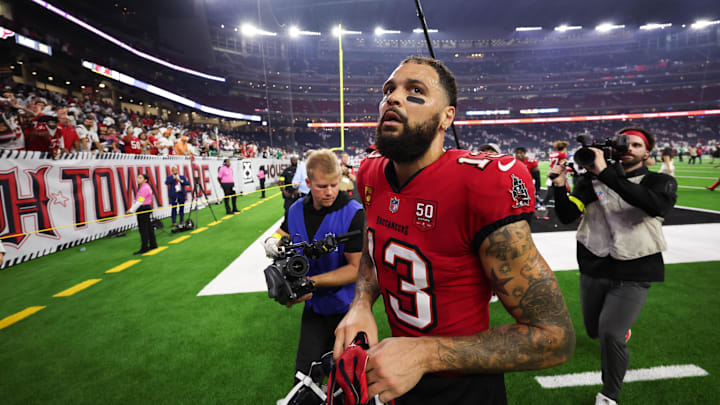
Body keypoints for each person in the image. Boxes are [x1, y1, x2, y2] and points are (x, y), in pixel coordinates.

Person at [334, 56, 574, 404]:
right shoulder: (371, 173)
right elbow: (374, 251)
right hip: (397, 376)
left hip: (465, 387)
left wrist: (423, 355)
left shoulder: (481, 184)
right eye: (389, 90)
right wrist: (361, 303)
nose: (394, 98)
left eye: (415, 90)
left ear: (447, 116)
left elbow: (555, 337)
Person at [549, 127, 677, 405]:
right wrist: (559, 186)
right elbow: (568, 215)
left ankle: (609, 395)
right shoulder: (590, 181)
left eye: (637, 145)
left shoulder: (659, 180)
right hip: (594, 264)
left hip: (636, 267)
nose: (629, 148)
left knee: (609, 333)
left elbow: (653, 205)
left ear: (647, 152)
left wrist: (605, 173)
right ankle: (618, 327)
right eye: (624, 144)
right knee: (595, 330)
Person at [263, 149, 364, 387]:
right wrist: (272, 243)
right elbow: (282, 235)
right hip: (314, 311)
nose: (329, 191)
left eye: (334, 184)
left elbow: (355, 268)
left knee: (347, 386)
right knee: (304, 381)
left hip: (347, 311)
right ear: (308, 182)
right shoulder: (296, 208)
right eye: (321, 186)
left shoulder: (353, 213)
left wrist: (310, 283)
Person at [127, 173, 158, 255]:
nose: (138, 179)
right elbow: (138, 200)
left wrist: (131, 210)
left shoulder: (144, 188)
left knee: (143, 229)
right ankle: (153, 244)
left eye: (140, 178)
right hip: (145, 208)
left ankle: (145, 248)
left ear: (145, 180)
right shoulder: (145, 187)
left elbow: (140, 201)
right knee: (149, 227)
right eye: (138, 177)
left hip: (143, 209)